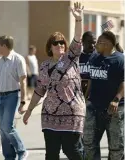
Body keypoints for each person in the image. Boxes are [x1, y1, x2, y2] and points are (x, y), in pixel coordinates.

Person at [23, 2, 86, 160]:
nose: (59, 45)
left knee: (72, 150)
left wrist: (79, 20)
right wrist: (29, 110)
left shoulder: (71, 58)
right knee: (51, 154)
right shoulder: (44, 66)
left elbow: (77, 39)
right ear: (50, 47)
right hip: (49, 116)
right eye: (55, 43)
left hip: (72, 113)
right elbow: (39, 91)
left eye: (62, 43)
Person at [83, 31, 124, 160]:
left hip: (113, 110)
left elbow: (124, 82)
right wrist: (85, 98)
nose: (95, 45)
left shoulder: (120, 60)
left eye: (98, 43)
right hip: (94, 107)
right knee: (89, 143)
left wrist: (116, 99)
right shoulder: (94, 58)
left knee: (116, 147)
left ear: (106, 44)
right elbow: (90, 80)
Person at [0, 35, 28, 160]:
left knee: (8, 127)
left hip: (12, 96)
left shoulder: (18, 59)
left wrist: (23, 102)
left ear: (4, 46)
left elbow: (23, 81)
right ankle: (9, 156)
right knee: (2, 129)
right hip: (0, 98)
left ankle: (22, 150)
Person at [79, 31, 96, 98]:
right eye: (89, 42)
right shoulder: (77, 58)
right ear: (82, 42)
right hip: (79, 95)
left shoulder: (100, 58)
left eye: (94, 43)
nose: (92, 45)